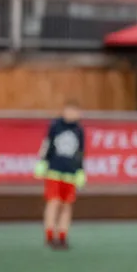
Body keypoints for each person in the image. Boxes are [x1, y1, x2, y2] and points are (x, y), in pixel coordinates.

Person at [34, 100, 85, 249]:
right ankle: (50, 235)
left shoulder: (79, 130)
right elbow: (47, 144)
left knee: (66, 205)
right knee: (54, 202)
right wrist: (42, 162)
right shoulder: (55, 126)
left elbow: (81, 151)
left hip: (70, 173)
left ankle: (62, 235)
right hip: (55, 171)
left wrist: (80, 170)